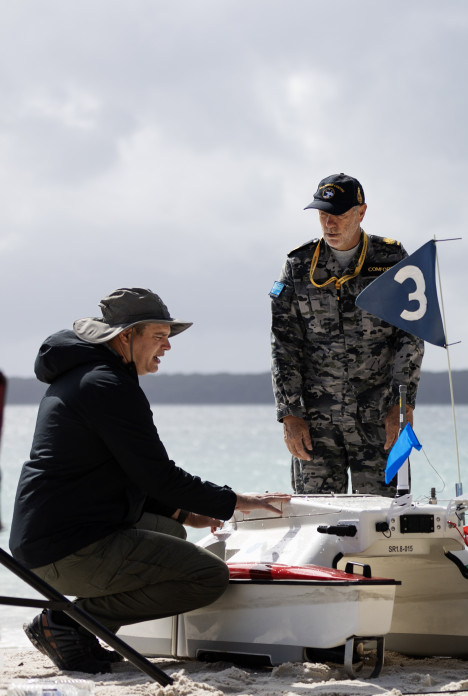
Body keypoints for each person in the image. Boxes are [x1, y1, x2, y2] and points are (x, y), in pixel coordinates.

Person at [9, 288, 287, 674]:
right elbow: (158, 474)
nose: (167, 347)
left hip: (52, 535)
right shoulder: (105, 385)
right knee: (207, 576)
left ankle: (75, 628)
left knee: (170, 531)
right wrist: (236, 500)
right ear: (126, 337)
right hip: (64, 546)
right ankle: (68, 624)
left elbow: (126, 472)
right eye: (158, 336)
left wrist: (183, 512)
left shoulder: (91, 377)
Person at [270, 173, 425, 495]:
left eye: (338, 215)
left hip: (380, 418)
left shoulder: (391, 259)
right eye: (323, 215)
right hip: (316, 421)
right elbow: (284, 344)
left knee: (387, 521)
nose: (330, 224)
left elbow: (409, 337)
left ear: (361, 212)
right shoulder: (298, 265)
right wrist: (289, 414)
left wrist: (402, 405)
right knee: (318, 522)